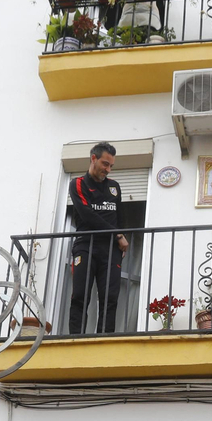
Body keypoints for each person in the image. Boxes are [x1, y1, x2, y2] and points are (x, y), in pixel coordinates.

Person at [68, 142, 130, 334]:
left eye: (111, 166)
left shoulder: (114, 187)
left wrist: (119, 237)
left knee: (110, 298)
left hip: (110, 250)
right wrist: (118, 235)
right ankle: (75, 339)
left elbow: (119, 219)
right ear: (93, 159)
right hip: (86, 245)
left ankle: (105, 338)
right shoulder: (78, 183)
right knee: (80, 295)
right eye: (105, 164)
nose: (108, 170)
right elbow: (87, 215)